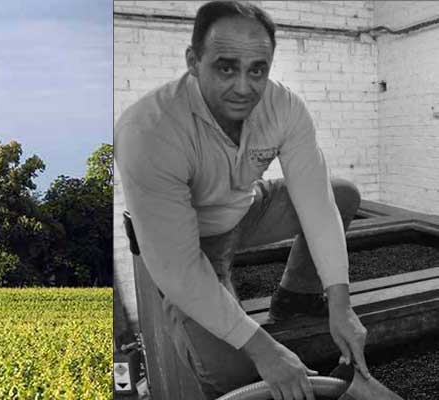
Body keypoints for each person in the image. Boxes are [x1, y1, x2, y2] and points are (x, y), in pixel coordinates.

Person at [115, 1, 370, 399]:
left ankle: (295, 298)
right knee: (240, 373)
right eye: (225, 67)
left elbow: (318, 205)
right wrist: (264, 350)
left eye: (258, 69)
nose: (244, 86)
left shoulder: (284, 107)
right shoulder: (148, 130)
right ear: (193, 61)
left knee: (342, 194)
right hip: (190, 241)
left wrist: (341, 304)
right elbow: (178, 268)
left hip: (246, 211)